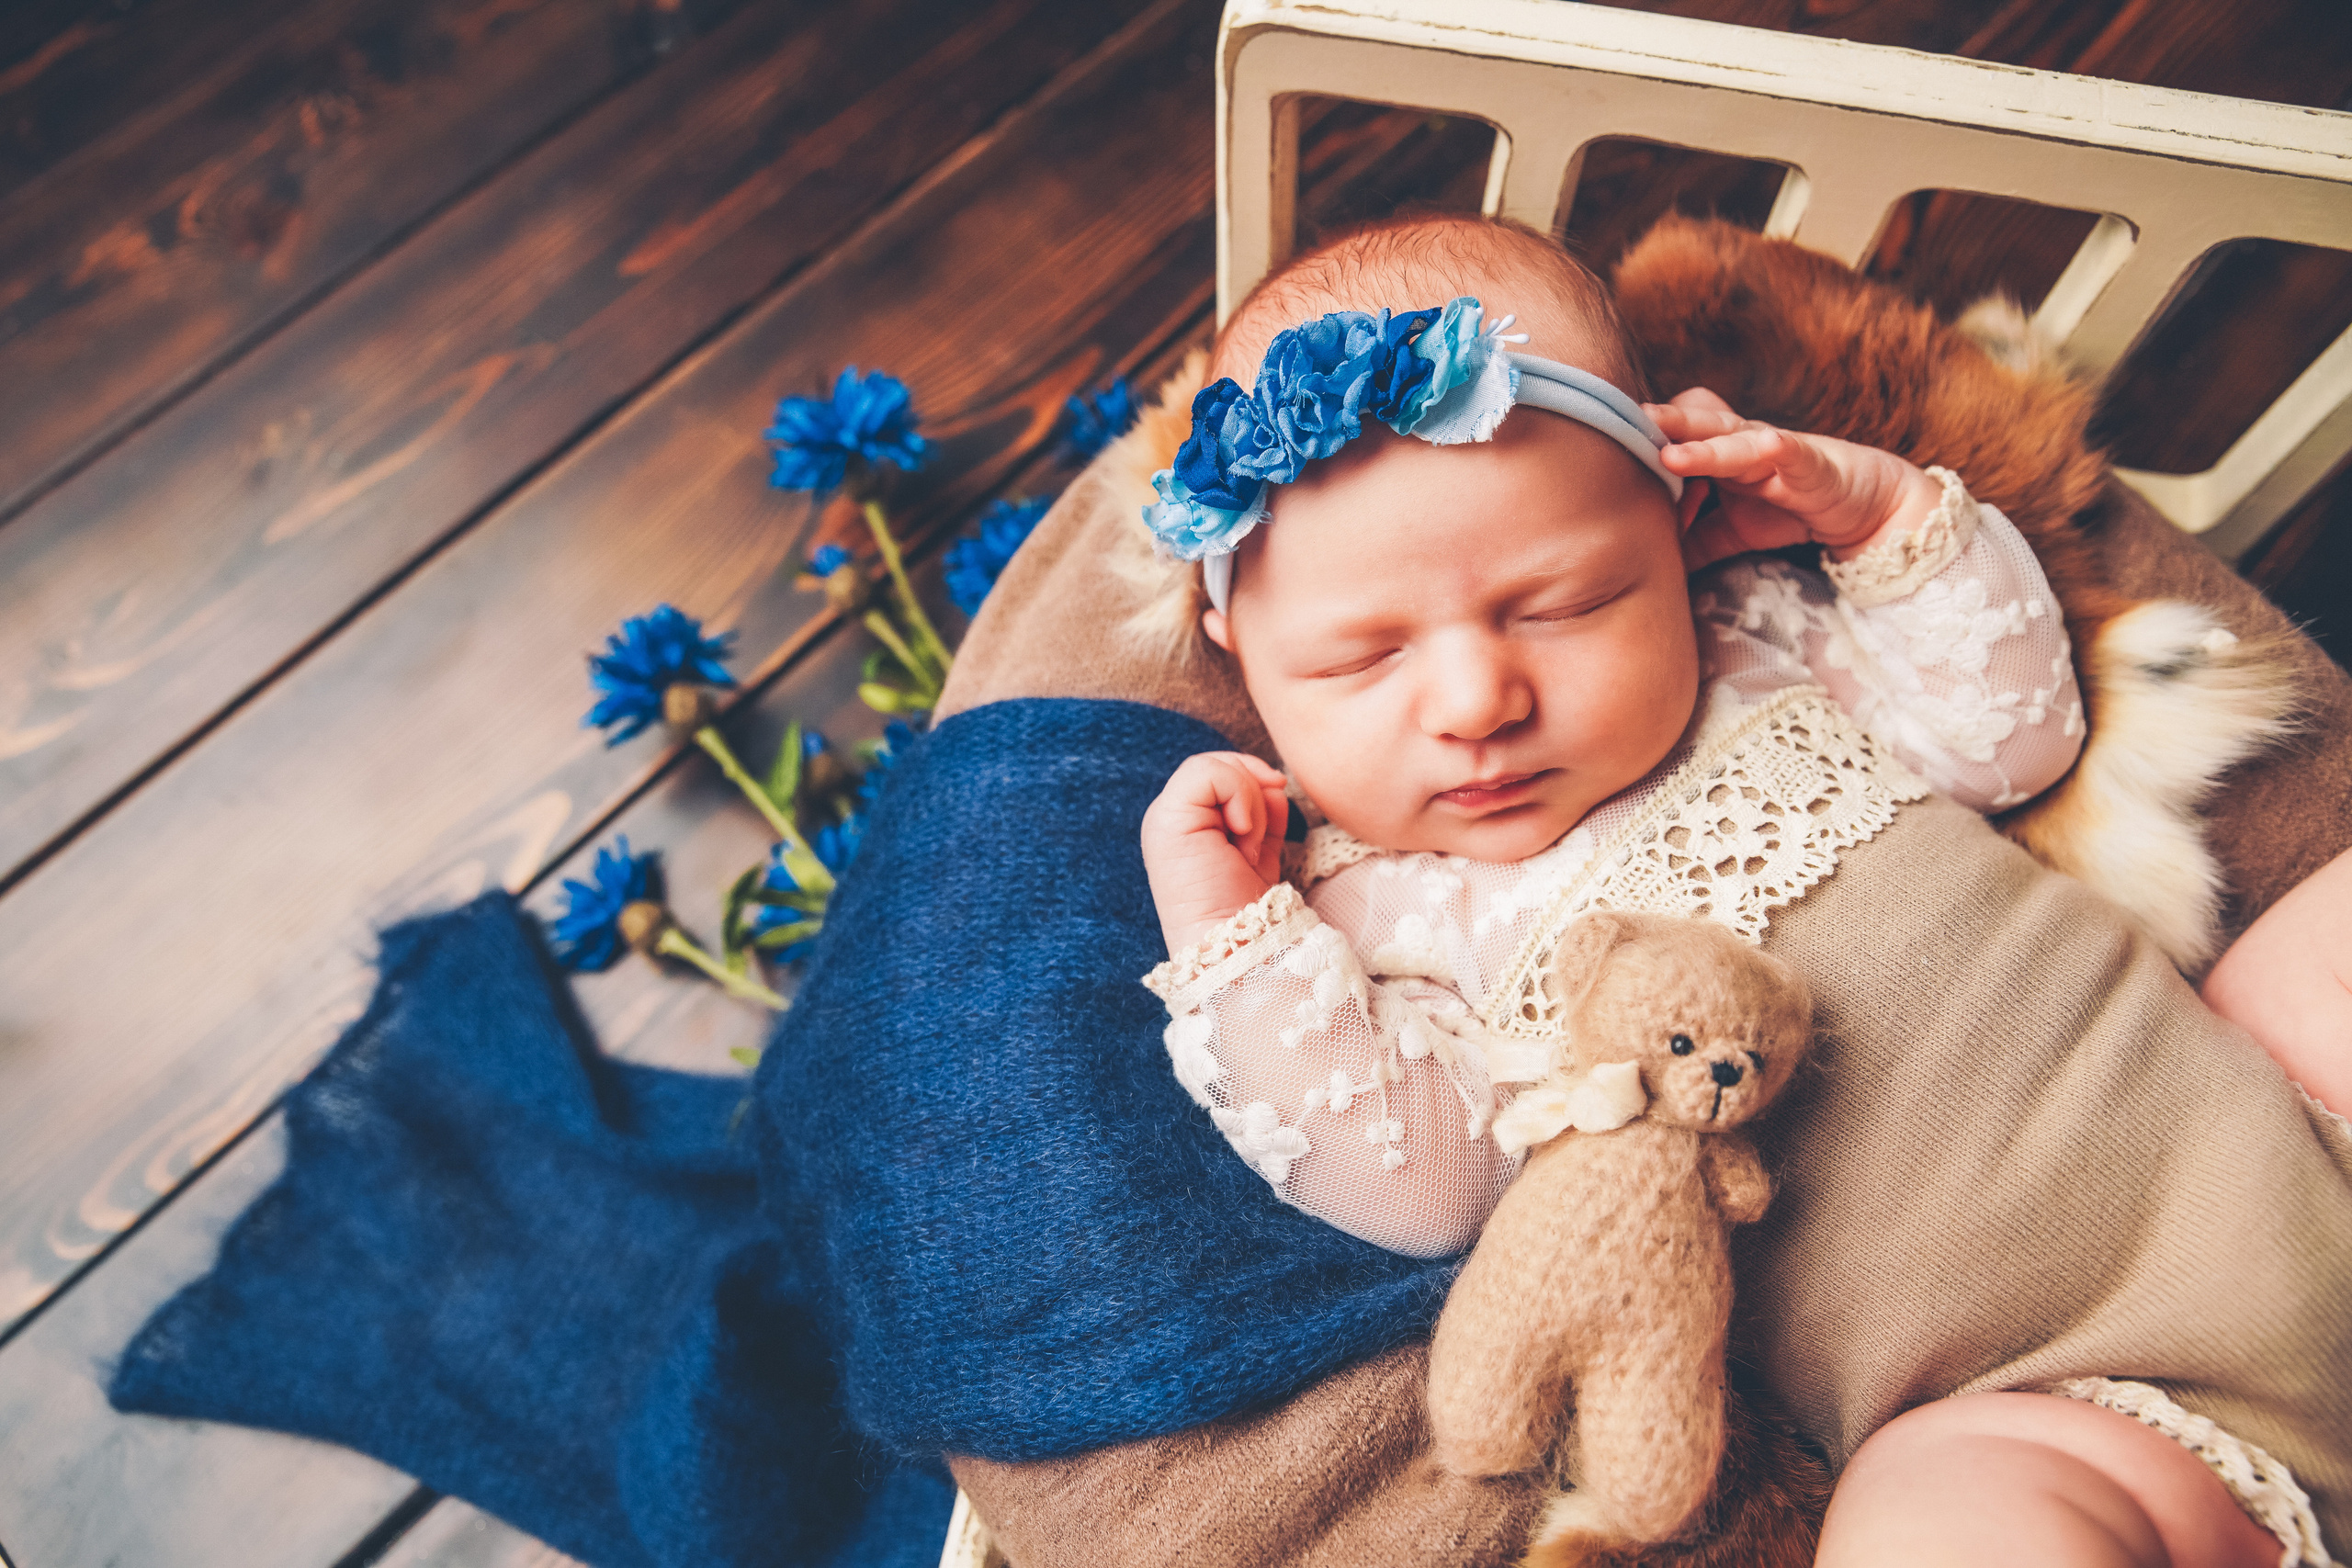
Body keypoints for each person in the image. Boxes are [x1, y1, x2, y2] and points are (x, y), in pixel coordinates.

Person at [1133, 215, 2314, 1567]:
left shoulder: (1757, 646)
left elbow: (2014, 735)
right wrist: (1228, 938)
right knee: (1941, 1523)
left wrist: (1881, 516)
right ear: (1238, 653)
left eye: (1565, 603)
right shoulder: (1371, 917)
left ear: (1680, 527)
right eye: (1358, 662)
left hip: (2277, 1129)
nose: (1476, 701)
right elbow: (1424, 1194)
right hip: (2066, 1399)